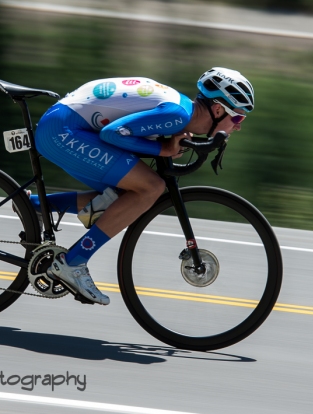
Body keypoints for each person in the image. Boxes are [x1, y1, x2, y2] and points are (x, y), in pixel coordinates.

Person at [29, 67, 254, 305]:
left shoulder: (180, 112)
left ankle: (36, 205)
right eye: (238, 117)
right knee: (150, 188)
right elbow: (112, 134)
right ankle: (73, 262)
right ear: (218, 109)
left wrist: (165, 142)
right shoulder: (177, 115)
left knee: (130, 196)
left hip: (64, 126)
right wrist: (165, 149)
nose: (238, 126)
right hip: (62, 132)